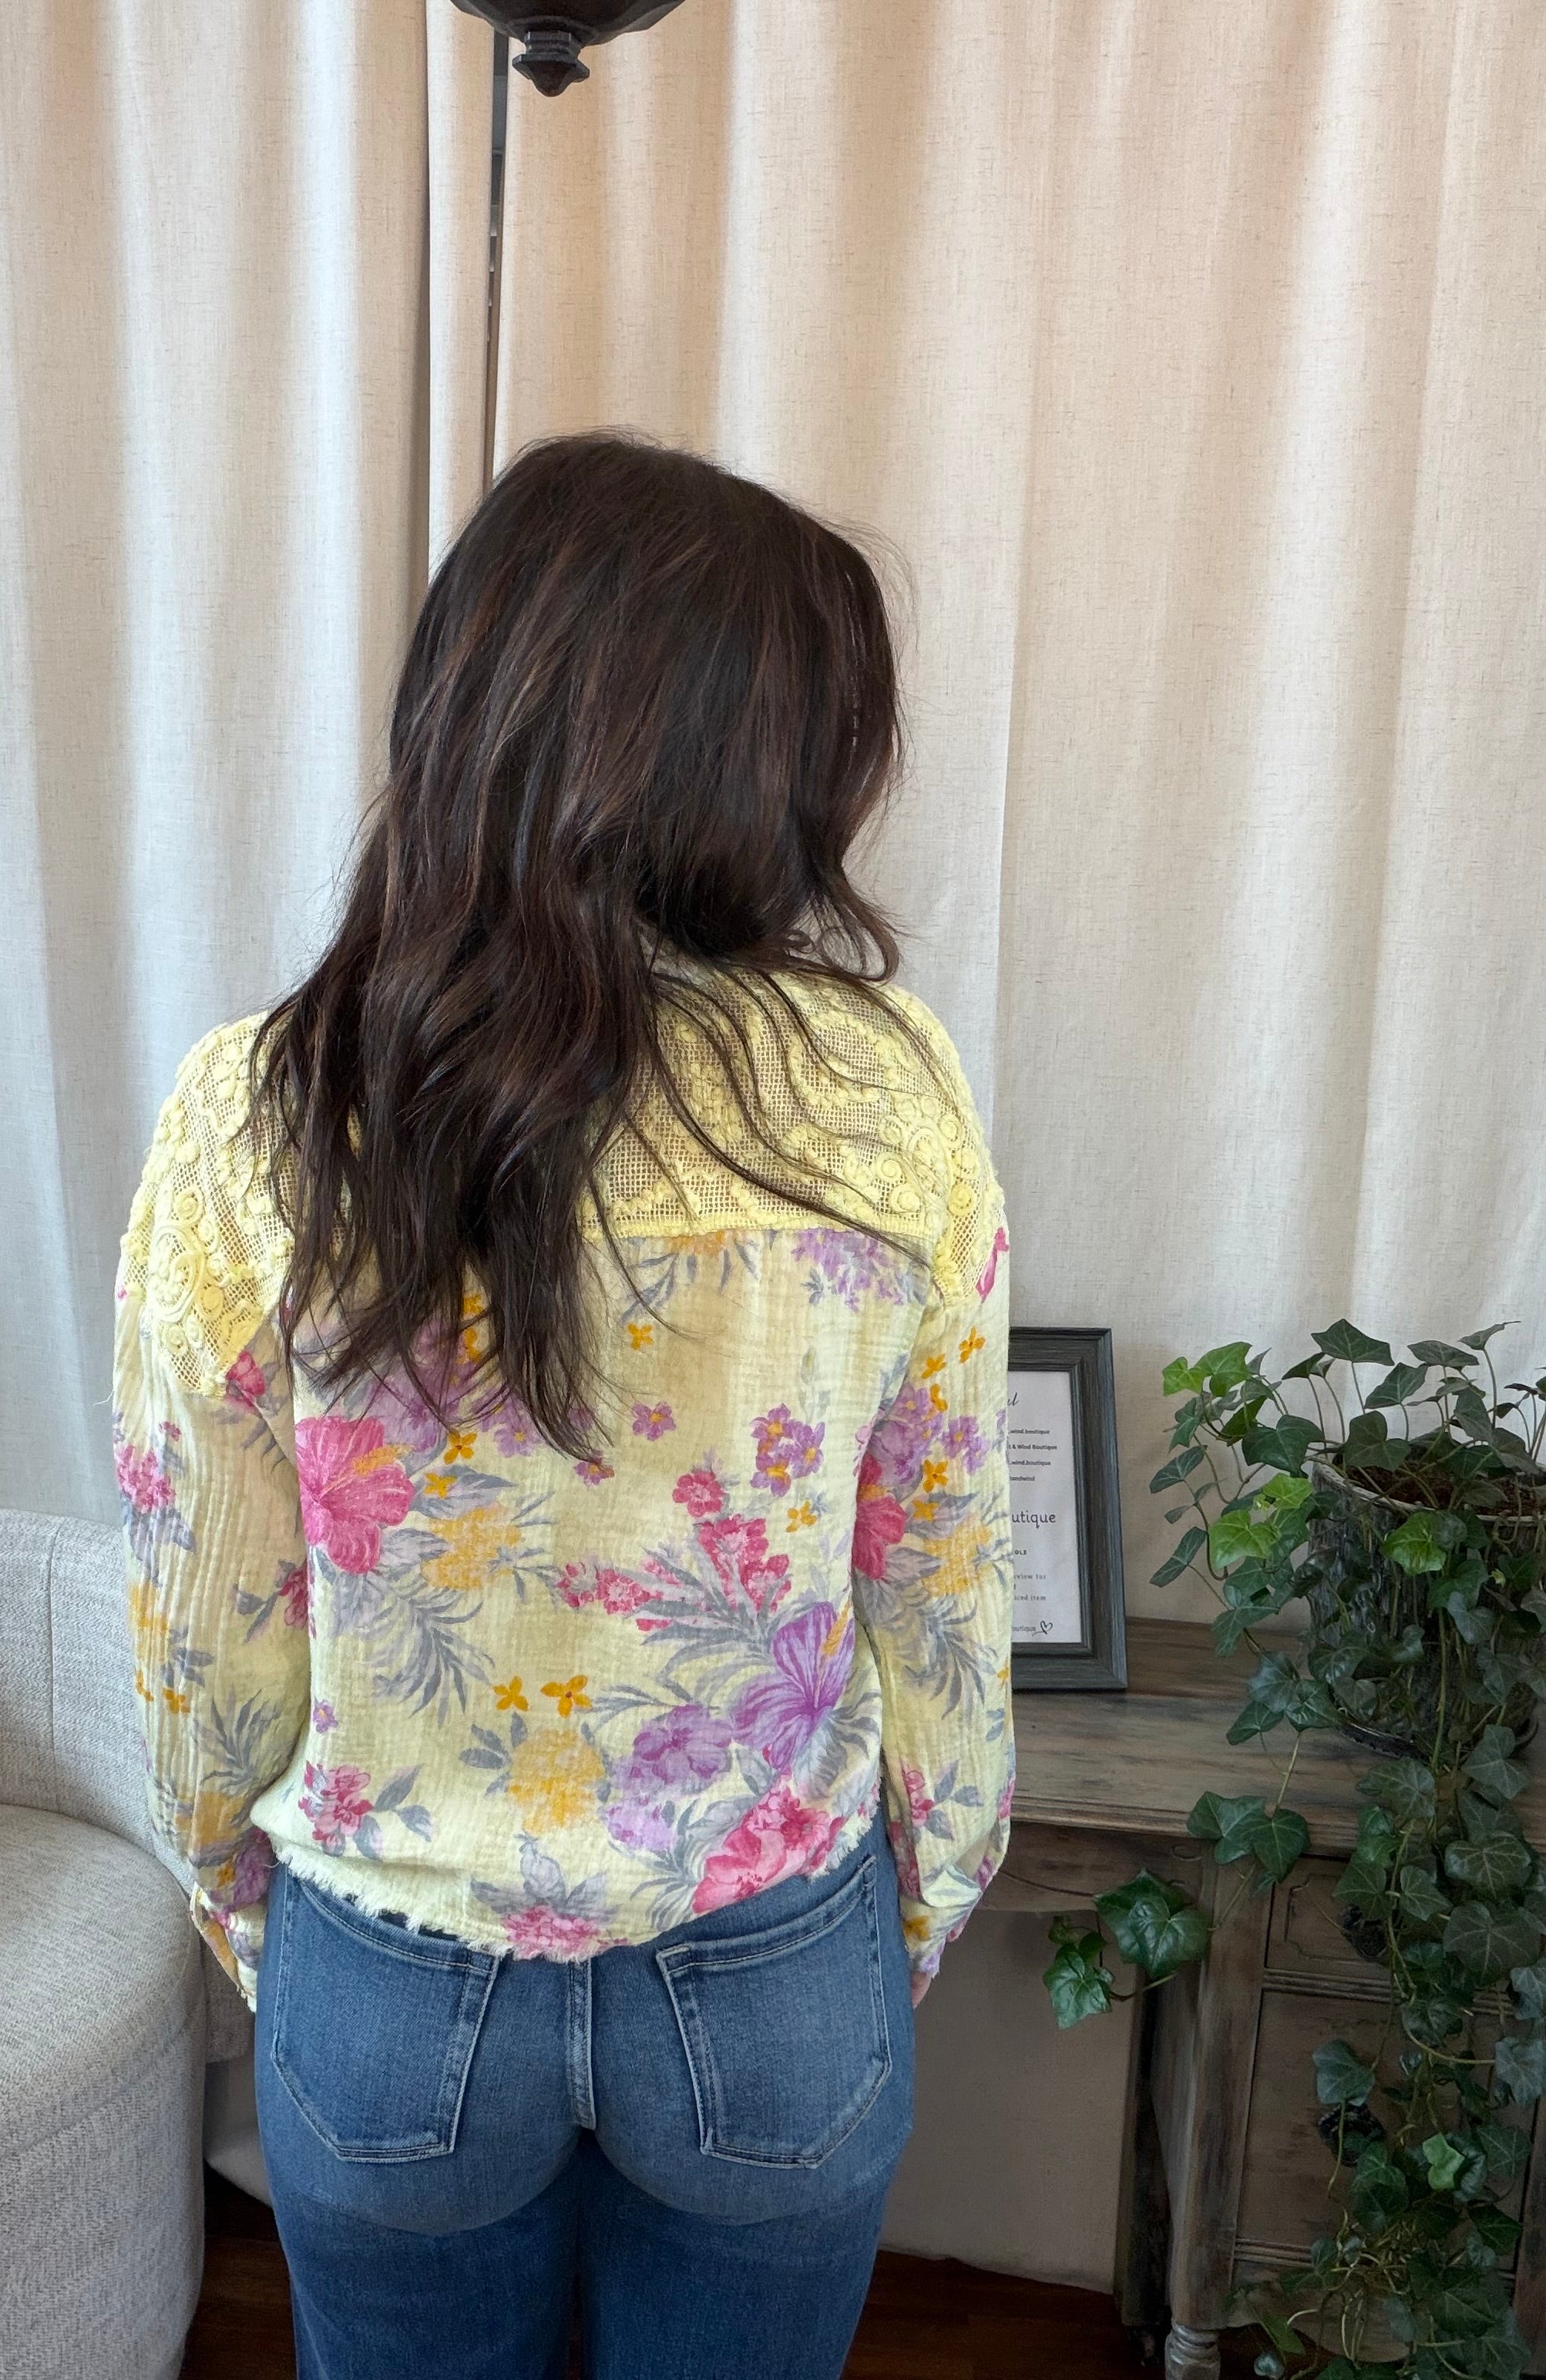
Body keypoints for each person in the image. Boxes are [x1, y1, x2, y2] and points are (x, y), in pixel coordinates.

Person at [112, 432, 1015, 2380]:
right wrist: (919, 1894)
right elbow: (939, 1559)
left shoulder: (259, 1115)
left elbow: (201, 1611)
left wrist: (258, 1910)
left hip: (392, 1965)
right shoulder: (886, 1094)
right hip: (775, 1955)